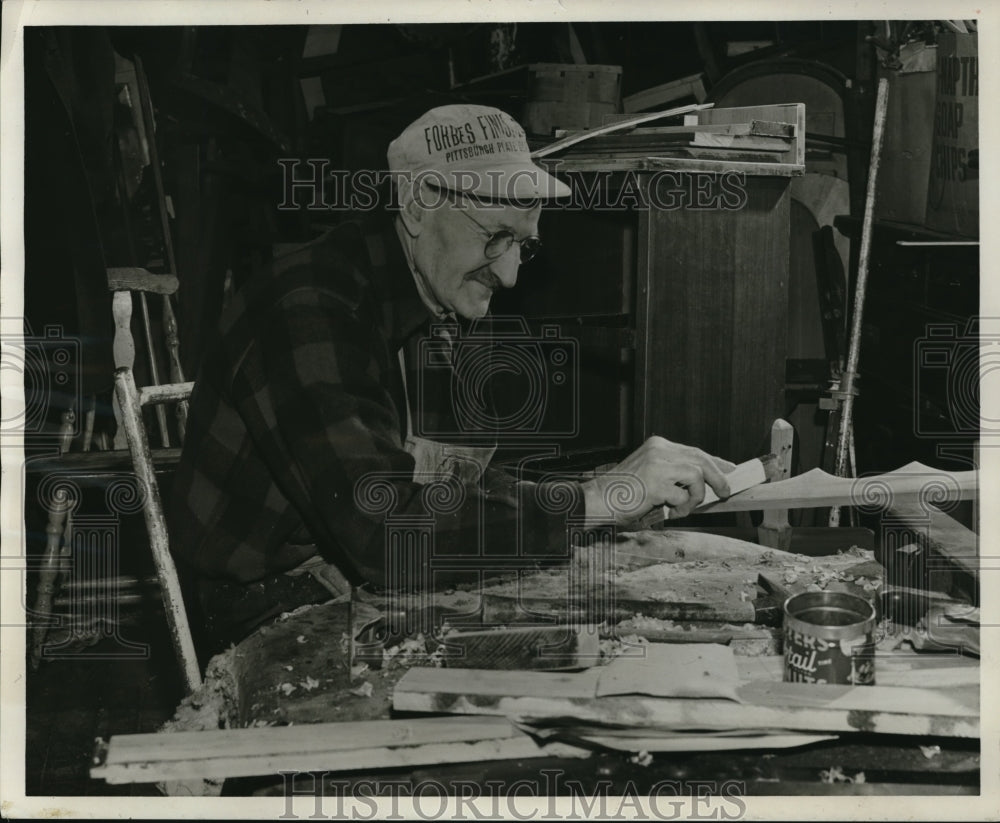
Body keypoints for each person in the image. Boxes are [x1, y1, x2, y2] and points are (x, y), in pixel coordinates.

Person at [170, 104, 734, 654]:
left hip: (342, 569)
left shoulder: (423, 296)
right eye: (495, 238)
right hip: (266, 602)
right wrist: (591, 502)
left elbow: (452, 489)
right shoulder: (311, 308)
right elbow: (389, 537)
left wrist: (613, 486)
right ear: (418, 207)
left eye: (524, 245)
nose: (510, 274)